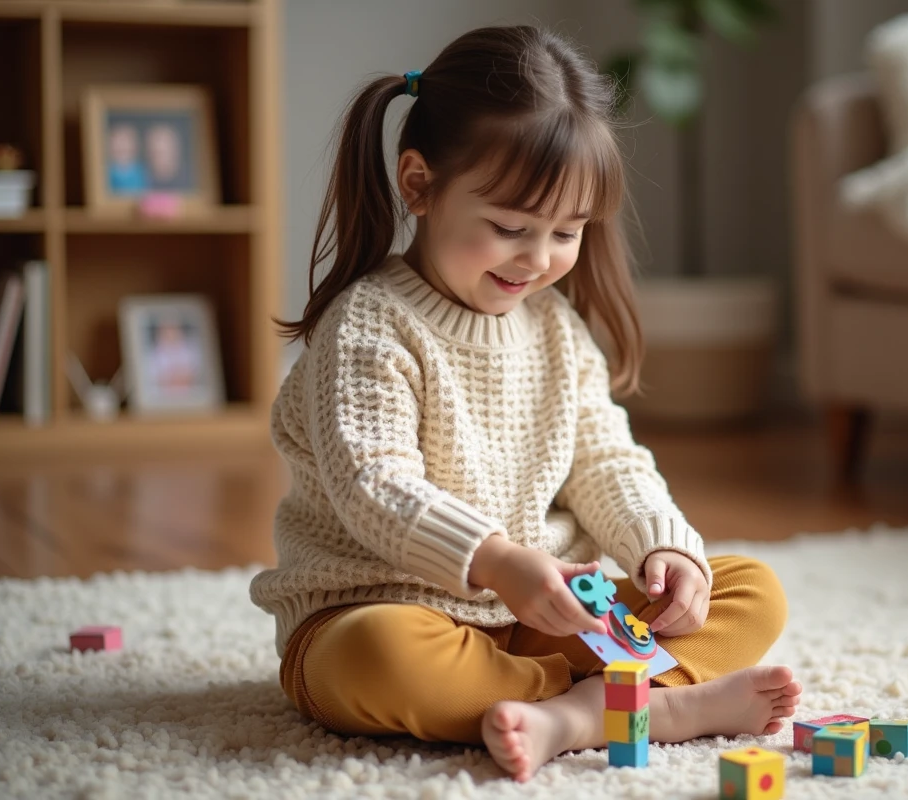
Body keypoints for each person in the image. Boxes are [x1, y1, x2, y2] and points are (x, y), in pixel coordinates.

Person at [249, 25, 800, 783]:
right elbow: (374, 484)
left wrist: (661, 550)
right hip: (386, 609)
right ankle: (643, 703)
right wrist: (499, 562)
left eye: (567, 233)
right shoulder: (369, 324)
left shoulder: (555, 327)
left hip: (548, 620)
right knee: (375, 661)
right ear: (419, 185)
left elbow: (606, 460)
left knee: (749, 590)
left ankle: (573, 716)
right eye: (511, 228)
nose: (539, 259)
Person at [106, 122, 148, 195]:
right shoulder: (106, 171)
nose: (122, 147)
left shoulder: (142, 172)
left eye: (126, 141)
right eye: (117, 142)